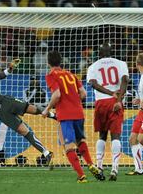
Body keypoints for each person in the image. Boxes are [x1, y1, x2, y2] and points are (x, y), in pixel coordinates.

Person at [42, 51, 102, 183]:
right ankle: (91, 164)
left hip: (66, 115)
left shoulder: (51, 75)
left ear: (48, 63)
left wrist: (47, 109)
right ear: (61, 61)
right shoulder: (71, 74)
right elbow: (84, 94)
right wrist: (73, 102)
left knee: (68, 145)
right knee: (80, 140)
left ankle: (81, 176)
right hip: (79, 112)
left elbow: (57, 94)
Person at [86, 42, 129, 181]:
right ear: (111, 52)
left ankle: (99, 166)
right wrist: (118, 98)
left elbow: (92, 83)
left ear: (99, 53)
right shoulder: (121, 63)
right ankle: (115, 169)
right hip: (115, 101)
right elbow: (125, 79)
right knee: (115, 136)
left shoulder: (93, 66)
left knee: (102, 135)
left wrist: (110, 93)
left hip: (101, 103)